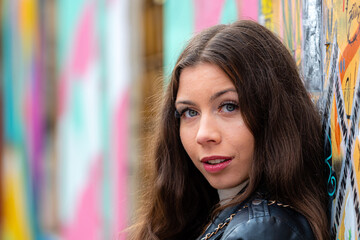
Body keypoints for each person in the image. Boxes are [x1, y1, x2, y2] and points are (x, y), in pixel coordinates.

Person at [129, 20, 329, 240]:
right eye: (189, 112)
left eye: (229, 106)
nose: (203, 135)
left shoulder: (261, 229)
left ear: (272, 113)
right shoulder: (212, 214)